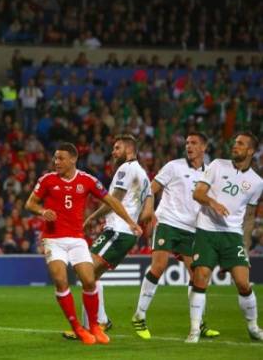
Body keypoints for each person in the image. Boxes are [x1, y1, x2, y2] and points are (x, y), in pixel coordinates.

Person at [25, 142, 142, 345]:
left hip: (77, 239)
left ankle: (95, 326)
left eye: (61, 158)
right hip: (53, 239)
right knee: (61, 281)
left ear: (73, 159)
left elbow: (112, 201)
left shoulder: (87, 180)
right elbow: (30, 203)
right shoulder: (47, 180)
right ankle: (77, 327)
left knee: (89, 281)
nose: (56, 162)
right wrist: (43, 212)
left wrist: (131, 222)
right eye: (55, 158)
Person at [131, 132, 219, 339]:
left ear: (204, 147)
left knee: (197, 275)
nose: (189, 146)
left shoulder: (210, 174)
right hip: (168, 223)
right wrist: (147, 209)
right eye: (187, 142)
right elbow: (151, 188)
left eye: (194, 143)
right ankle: (139, 315)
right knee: (159, 266)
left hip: (191, 229)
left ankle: (199, 324)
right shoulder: (174, 166)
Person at [186, 132, 263, 343]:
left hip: (232, 235)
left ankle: (253, 327)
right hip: (206, 230)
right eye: (235, 142)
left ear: (251, 151)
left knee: (243, 283)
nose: (234, 146)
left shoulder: (257, 182)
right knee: (201, 277)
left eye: (240, 144)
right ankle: (194, 330)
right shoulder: (218, 165)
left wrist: (245, 245)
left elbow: (249, 217)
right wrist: (213, 203)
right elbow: (198, 193)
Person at [76, 135, 150, 333]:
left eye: (117, 148)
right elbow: (147, 209)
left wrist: (91, 218)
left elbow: (114, 200)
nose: (113, 152)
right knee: (91, 276)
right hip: (122, 231)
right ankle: (99, 321)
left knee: (87, 272)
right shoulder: (143, 174)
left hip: (119, 231)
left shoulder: (126, 169)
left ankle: (92, 324)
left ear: (129, 150)